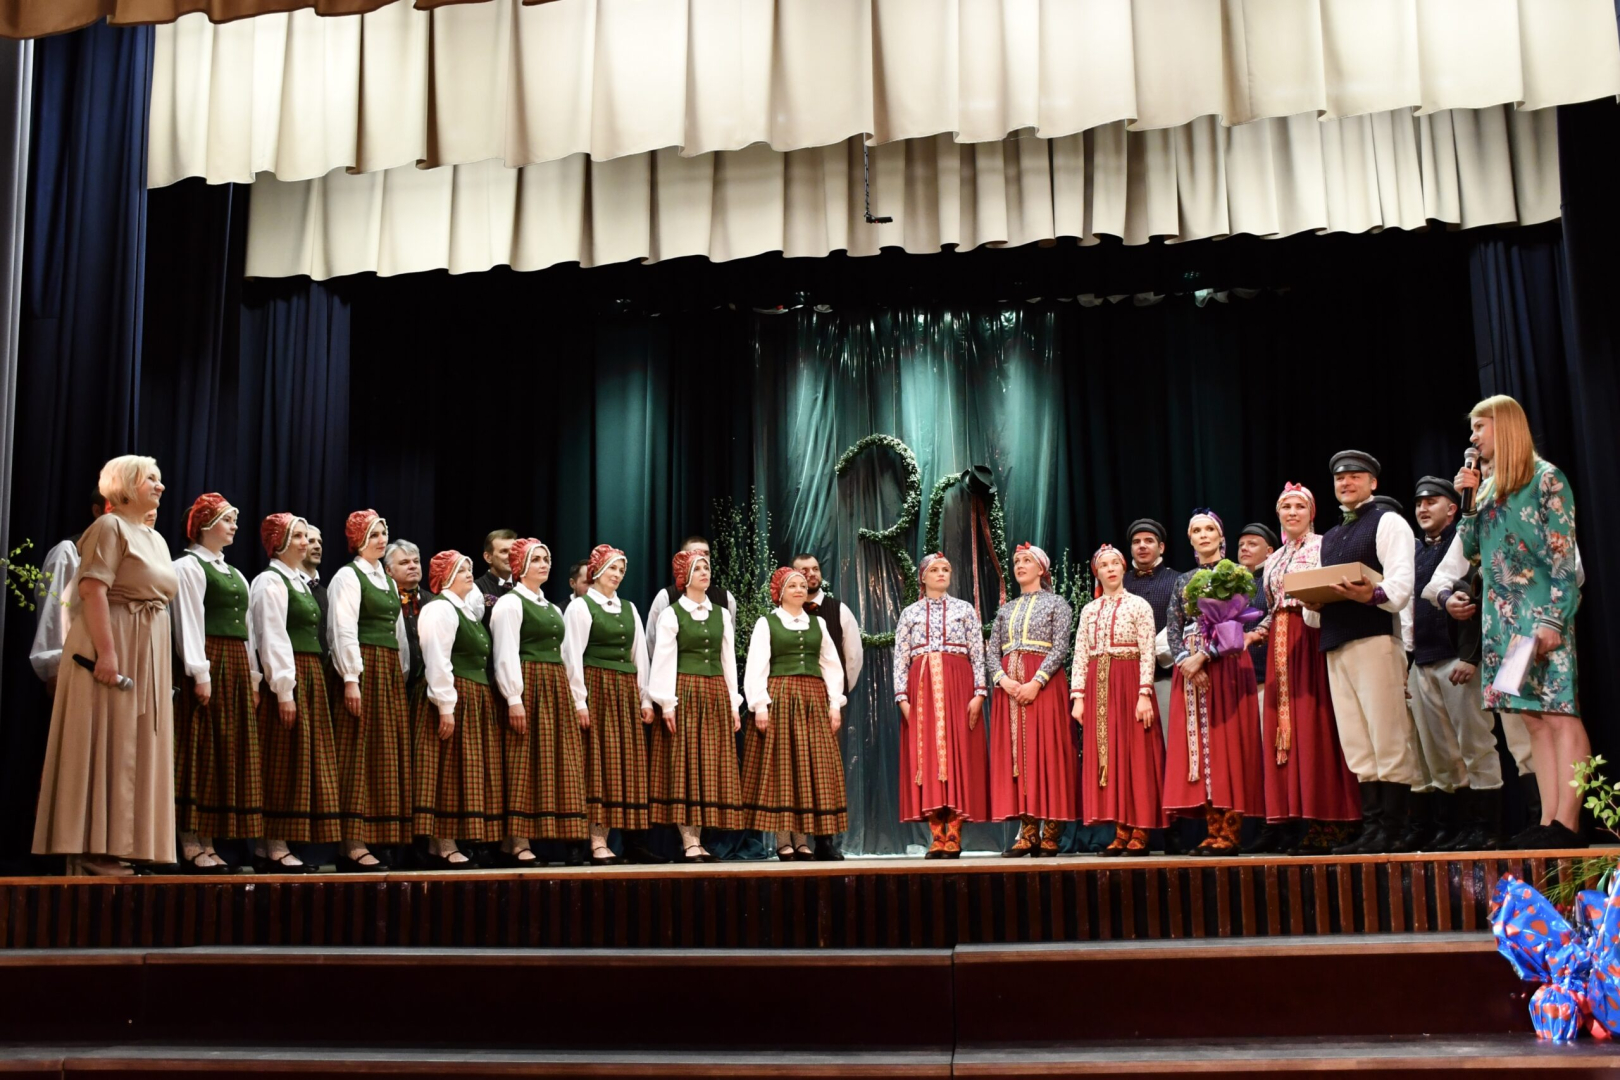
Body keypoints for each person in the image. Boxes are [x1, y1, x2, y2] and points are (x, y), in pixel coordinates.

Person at [1449, 395, 1586, 849]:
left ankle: (1569, 823)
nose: (1473, 437)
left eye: (1480, 427)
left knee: (1559, 713)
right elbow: (1471, 549)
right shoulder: (1487, 489)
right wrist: (1468, 501)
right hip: (1504, 622)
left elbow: (1563, 558)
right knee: (1532, 719)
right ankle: (1548, 820)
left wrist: (1553, 619)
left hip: (1543, 617)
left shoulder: (1547, 479)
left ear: (1504, 426)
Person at [34, 456, 178, 875]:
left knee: (138, 743)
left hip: (146, 648)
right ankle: (93, 849)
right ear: (127, 484)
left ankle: (128, 844)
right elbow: (93, 589)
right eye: (151, 479)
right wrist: (107, 653)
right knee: (108, 739)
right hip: (113, 643)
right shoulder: (109, 527)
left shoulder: (155, 538)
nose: (160, 486)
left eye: (160, 479)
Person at [1300, 451, 1421, 855]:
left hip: (1375, 639)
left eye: (1355, 476)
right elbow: (1315, 615)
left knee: (1387, 735)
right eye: (1340, 478)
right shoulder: (1332, 537)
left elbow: (1401, 585)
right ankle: (1373, 827)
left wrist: (1371, 594)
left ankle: (1394, 829)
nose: (1346, 482)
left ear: (1373, 483)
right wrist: (1314, 604)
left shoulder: (1387, 521)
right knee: (1357, 740)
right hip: (1338, 643)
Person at [1245, 484, 1361, 856]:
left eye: (1299, 506)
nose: (1292, 512)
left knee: (1317, 723)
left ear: (1311, 512)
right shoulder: (1273, 559)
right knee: (1286, 726)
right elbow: (1272, 609)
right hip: (1280, 645)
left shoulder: (1325, 546)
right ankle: (1298, 816)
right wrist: (1257, 633)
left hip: (1312, 637)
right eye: (1286, 507)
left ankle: (1331, 818)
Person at [1402, 475, 1503, 851]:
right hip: (1424, 660)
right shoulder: (1414, 555)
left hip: (1458, 660)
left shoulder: (1466, 545)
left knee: (1475, 744)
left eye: (1431, 501)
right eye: (1418, 503)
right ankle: (1453, 826)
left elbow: (1480, 602)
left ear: (1452, 508)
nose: (1422, 508)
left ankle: (1487, 826)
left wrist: (1471, 657)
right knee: (1438, 752)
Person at [1162, 511, 1265, 855]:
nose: (1203, 535)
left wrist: (1205, 656)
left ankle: (1231, 831)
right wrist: (1185, 662)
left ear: (1221, 537)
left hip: (1226, 664)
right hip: (1190, 669)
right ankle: (1212, 829)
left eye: (1209, 529)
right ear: (1190, 539)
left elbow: (1237, 627)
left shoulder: (1235, 574)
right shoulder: (1183, 580)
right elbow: (1174, 627)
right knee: (1199, 746)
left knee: (1227, 745)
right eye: (1197, 530)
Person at [171, 494, 262, 873]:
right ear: (205, 525)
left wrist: (253, 677)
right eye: (227, 519)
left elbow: (249, 631)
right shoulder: (187, 567)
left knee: (225, 751)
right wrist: (200, 672)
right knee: (199, 750)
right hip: (209, 660)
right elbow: (188, 622)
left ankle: (210, 838)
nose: (234, 526)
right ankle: (190, 839)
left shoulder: (234, 573)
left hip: (235, 664)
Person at [250, 513, 341, 872]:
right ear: (280, 541)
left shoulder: (299, 583)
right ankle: (272, 842)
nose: (306, 543)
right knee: (282, 758)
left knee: (301, 758)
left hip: (309, 673)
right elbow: (271, 636)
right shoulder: (270, 581)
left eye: (307, 536)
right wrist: (284, 690)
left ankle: (277, 843)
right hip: (289, 675)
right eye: (299, 536)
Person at [741, 565, 849, 860]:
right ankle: (783, 840)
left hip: (813, 699)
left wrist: (834, 704)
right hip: (781, 697)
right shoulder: (767, 623)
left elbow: (831, 665)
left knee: (809, 768)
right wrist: (759, 704)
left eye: (802, 585)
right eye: (793, 586)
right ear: (780, 592)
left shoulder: (818, 624)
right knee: (783, 767)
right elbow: (757, 666)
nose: (800, 590)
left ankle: (802, 840)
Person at [491, 539, 588, 865]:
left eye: (546, 558)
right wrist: (514, 698)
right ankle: (516, 841)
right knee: (523, 760)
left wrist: (575, 697)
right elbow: (505, 652)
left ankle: (552, 837)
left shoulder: (550, 607)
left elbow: (566, 654)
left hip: (554, 685)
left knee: (552, 762)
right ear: (520, 566)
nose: (544, 564)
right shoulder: (510, 604)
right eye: (536, 560)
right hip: (529, 683)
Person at [561, 544, 657, 866]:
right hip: (597, 688)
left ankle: (628, 841)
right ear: (597, 571)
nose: (617, 575)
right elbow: (572, 656)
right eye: (612, 568)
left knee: (623, 765)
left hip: (624, 692)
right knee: (596, 765)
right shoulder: (580, 607)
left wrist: (645, 697)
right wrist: (579, 701)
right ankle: (595, 840)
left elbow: (639, 656)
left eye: (621, 570)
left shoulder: (629, 608)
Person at [328, 509, 411, 872]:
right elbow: (342, 629)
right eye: (374, 534)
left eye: (384, 533)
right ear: (358, 539)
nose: (381, 539)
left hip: (387, 670)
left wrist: (399, 673)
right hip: (364, 668)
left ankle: (380, 837)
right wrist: (351, 677)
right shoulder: (349, 576)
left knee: (384, 754)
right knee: (357, 754)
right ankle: (351, 843)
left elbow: (399, 634)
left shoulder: (388, 582)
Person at [649, 548, 745, 863]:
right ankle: (689, 840)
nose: (706, 572)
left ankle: (699, 840)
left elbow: (727, 660)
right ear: (685, 576)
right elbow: (663, 659)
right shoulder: (672, 614)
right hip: (685, 691)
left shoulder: (721, 614)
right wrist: (667, 703)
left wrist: (733, 703)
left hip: (715, 692)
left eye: (707, 567)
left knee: (708, 766)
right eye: (699, 568)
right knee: (686, 764)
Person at [892, 553, 988, 858]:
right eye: (934, 569)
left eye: (946, 569)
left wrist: (979, 692)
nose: (941, 573)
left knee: (960, 753)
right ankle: (936, 834)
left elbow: (978, 653)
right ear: (923, 576)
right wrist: (902, 697)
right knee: (928, 757)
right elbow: (900, 657)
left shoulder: (964, 609)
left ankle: (955, 833)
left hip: (958, 684)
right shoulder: (910, 613)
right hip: (921, 688)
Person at [413, 551, 503, 869]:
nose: (468, 573)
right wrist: (445, 705)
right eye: (461, 569)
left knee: (466, 769)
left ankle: (455, 840)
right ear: (446, 576)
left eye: (469, 568)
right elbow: (437, 659)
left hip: (473, 696)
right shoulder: (440, 609)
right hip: (453, 695)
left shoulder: (468, 612)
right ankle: (442, 844)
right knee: (447, 769)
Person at [1071, 545, 1161, 857]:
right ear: (1097, 573)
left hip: (1129, 680)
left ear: (1123, 568)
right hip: (1099, 686)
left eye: (1114, 564)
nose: (1109, 569)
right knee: (1109, 755)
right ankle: (1120, 830)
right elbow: (1080, 654)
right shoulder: (1089, 610)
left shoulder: (1139, 605)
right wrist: (1078, 697)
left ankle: (1140, 828)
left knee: (1135, 754)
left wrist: (1144, 693)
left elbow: (1148, 650)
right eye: (1103, 565)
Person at [986, 543, 1075, 857]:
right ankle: (1027, 832)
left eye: (1026, 560)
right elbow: (992, 651)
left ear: (1041, 568)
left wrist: (1037, 682)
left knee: (1048, 751)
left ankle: (1051, 832)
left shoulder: (1057, 604)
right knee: (1019, 755)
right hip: (1010, 688)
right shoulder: (1006, 609)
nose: (1020, 565)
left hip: (1044, 685)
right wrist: (1004, 680)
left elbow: (1060, 647)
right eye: (1016, 561)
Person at [30, 486, 105, 695]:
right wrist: (55, 669)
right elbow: (53, 614)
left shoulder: (128, 559)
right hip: (79, 668)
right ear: (97, 510)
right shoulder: (70, 552)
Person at [1121, 519, 1180, 726]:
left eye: (1149, 541)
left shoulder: (1178, 580)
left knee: (1166, 736)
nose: (1142, 546)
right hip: (1125, 679)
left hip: (1164, 678)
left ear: (1161, 547)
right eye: (1136, 542)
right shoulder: (1120, 583)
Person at [644, 536, 737, 660]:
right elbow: (653, 641)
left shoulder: (726, 598)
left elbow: (728, 645)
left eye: (706, 553)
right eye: (696, 553)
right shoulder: (666, 597)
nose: (702, 557)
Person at [793, 553, 864, 692]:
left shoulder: (840, 611)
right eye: (805, 570)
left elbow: (853, 657)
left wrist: (840, 690)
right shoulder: (783, 614)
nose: (812, 574)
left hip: (831, 696)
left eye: (815, 569)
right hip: (793, 694)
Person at [1236, 522, 1278, 710]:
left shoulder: (1274, 581)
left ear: (1269, 551)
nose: (1244, 548)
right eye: (1241, 545)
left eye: (1252, 544)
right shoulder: (1231, 585)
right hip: (1234, 678)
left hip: (1265, 678)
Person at [385, 540, 427, 691]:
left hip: (426, 686)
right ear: (388, 570)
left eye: (416, 561)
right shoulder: (383, 602)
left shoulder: (434, 602)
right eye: (404, 562)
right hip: (392, 682)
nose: (412, 566)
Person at [474, 529, 518, 625]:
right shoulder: (476, 588)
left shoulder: (523, 587)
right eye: (504, 551)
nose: (511, 556)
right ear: (488, 557)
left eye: (513, 551)